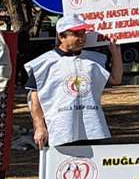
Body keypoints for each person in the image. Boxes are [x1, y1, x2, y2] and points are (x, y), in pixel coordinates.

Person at [26, 14, 124, 151]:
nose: (82, 38)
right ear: (62, 37)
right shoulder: (43, 63)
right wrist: (39, 127)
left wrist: (116, 53)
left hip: (92, 128)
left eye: (83, 33)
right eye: (76, 34)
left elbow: (116, 79)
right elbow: (34, 98)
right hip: (60, 129)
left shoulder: (94, 60)